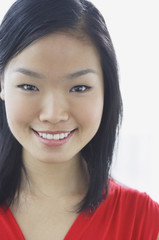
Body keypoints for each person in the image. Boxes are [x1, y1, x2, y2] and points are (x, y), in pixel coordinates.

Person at [0, 0, 158, 239]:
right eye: (29, 86)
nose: (53, 115)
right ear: (2, 83)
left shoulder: (144, 222)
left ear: (106, 89)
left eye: (79, 88)